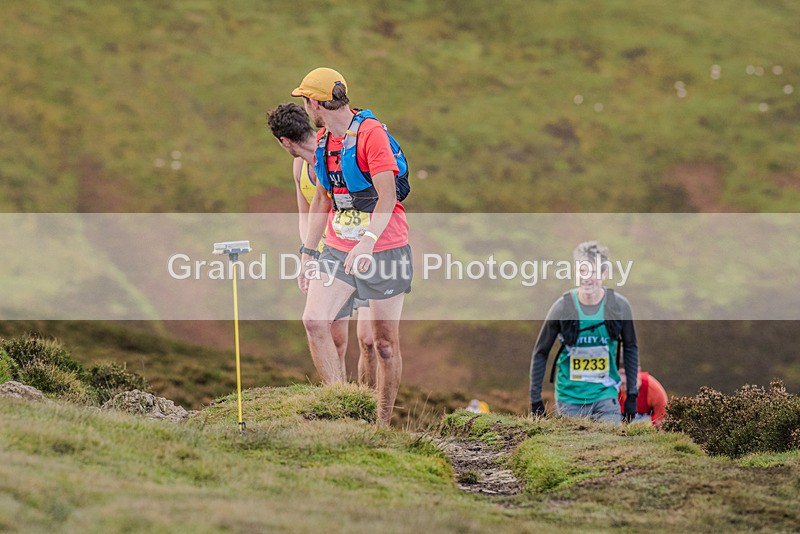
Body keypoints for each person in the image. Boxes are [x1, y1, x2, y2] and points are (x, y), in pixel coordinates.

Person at [291, 67, 413, 426]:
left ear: (316, 102)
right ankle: (344, 413)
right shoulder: (326, 142)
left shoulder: (371, 134)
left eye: (306, 101)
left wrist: (368, 242)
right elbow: (322, 202)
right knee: (315, 321)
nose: (307, 110)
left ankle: (381, 424)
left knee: (384, 344)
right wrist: (308, 254)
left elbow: (387, 196)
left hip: (385, 249)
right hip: (338, 249)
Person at [266, 103, 377, 387]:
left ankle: (372, 408)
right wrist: (310, 257)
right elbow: (306, 215)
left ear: (284, 141)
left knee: (369, 340)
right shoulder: (298, 168)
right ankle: (342, 403)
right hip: (329, 258)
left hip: (363, 249)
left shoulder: (335, 151)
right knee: (334, 337)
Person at [529, 241, 639, 424]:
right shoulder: (562, 307)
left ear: (604, 273)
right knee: (574, 450)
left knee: (609, 447)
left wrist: (632, 395)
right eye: (582, 271)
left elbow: (631, 347)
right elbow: (541, 352)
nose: (587, 278)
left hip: (606, 395)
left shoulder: (619, 306)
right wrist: (535, 400)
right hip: (569, 399)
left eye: (593, 272)